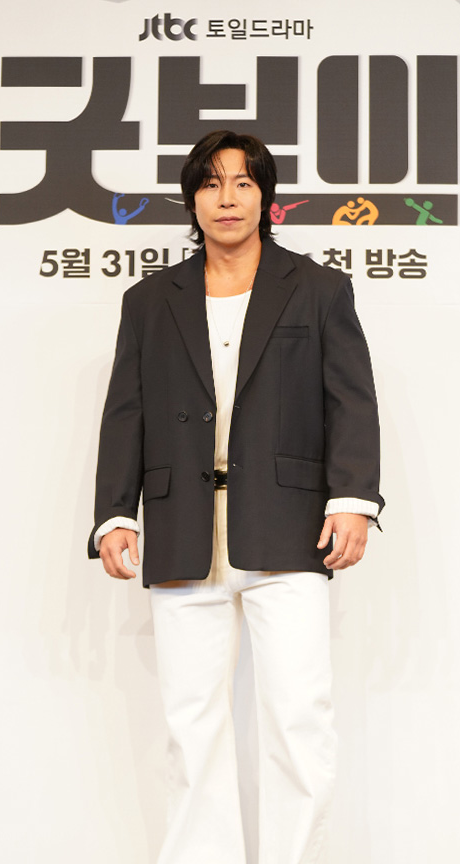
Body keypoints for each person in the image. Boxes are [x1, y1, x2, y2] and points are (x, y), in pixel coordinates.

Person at [88, 130, 384, 864]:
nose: (227, 198)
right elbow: (126, 412)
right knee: (191, 725)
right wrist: (116, 513)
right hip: (183, 529)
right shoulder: (149, 301)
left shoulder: (318, 289)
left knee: (298, 719)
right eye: (212, 183)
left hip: (290, 529)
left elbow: (350, 400)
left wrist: (353, 499)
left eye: (243, 182)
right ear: (192, 199)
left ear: (265, 197)